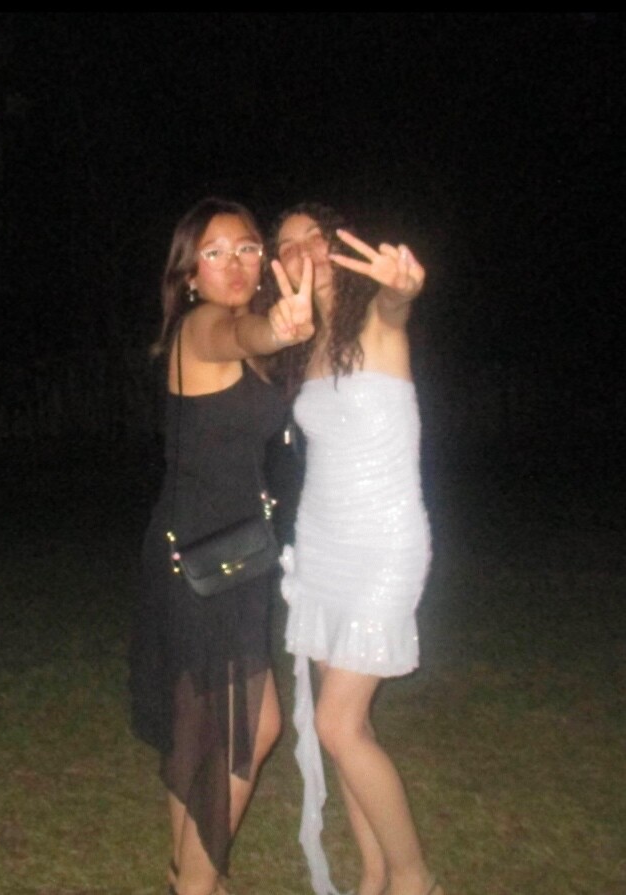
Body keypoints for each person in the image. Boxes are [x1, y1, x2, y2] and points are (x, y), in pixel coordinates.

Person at [128, 196, 313, 895]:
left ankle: (185, 871)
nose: (233, 264)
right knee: (250, 728)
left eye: (246, 249)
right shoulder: (205, 324)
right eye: (214, 253)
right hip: (211, 558)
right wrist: (277, 326)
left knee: (200, 726)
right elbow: (244, 333)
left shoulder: (217, 332)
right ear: (189, 275)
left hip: (207, 549)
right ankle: (196, 886)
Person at [262, 202, 444, 895]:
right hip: (322, 545)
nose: (303, 249)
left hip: (383, 544)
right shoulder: (302, 343)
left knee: (336, 724)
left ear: (337, 245)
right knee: (353, 723)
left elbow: (399, 304)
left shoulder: (376, 320)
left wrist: (402, 288)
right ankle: (372, 875)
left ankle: (414, 878)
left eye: (314, 235)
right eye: (287, 244)